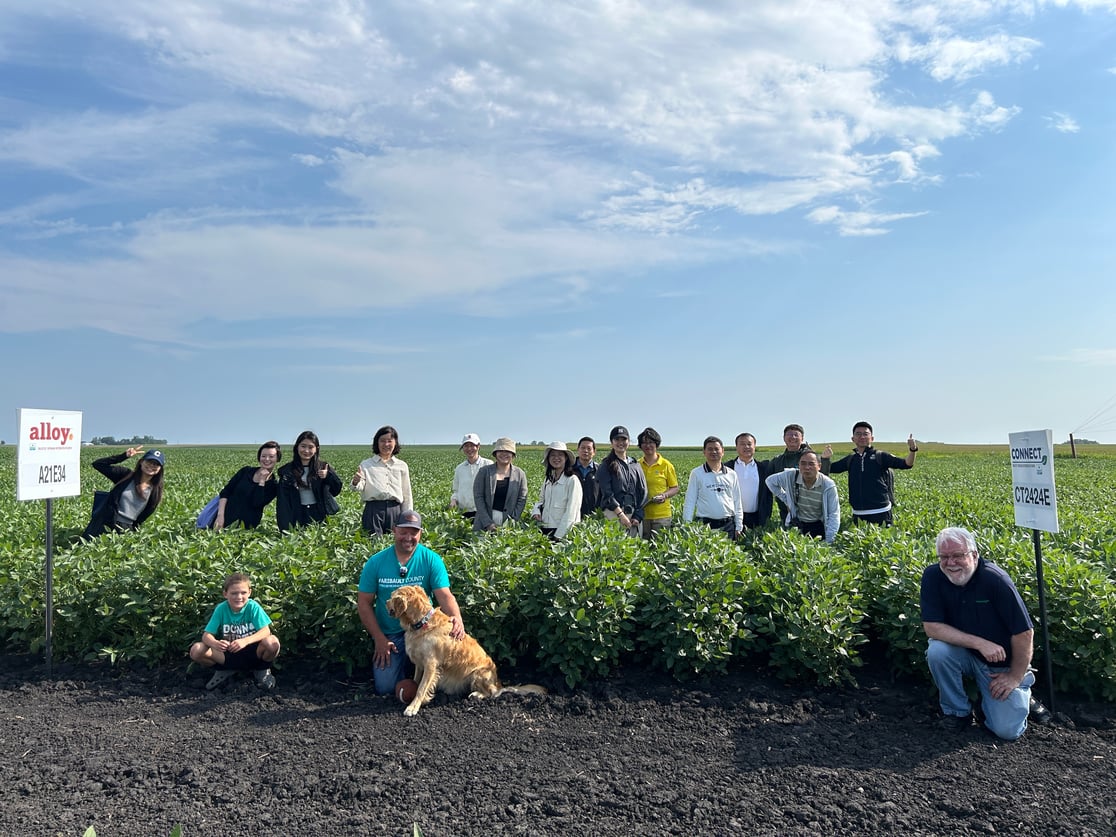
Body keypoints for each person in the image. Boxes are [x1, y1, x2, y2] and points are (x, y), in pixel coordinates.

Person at [921, 527, 1039, 740]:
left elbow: (1024, 632)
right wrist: (979, 643)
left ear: (974, 555)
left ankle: (1022, 687)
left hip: (999, 665)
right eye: (944, 557)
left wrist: (1013, 676)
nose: (950, 563)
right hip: (965, 654)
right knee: (937, 651)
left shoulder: (995, 580)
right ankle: (957, 712)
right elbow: (932, 627)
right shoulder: (932, 576)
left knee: (1007, 732)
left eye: (958, 555)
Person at [356, 510, 467, 695]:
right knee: (385, 688)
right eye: (403, 532)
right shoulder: (376, 562)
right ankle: (410, 672)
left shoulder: (431, 559)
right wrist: (379, 639)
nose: (408, 537)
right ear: (394, 531)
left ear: (420, 533)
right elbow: (363, 603)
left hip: (425, 631)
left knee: (447, 680)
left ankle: (427, 677)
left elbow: (445, 596)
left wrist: (457, 618)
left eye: (413, 532)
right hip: (391, 635)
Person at [189, 572, 280, 690]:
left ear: (250, 593)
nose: (239, 597)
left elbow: (266, 631)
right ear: (225, 594)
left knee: (272, 642)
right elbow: (206, 636)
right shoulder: (221, 609)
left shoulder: (253, 607)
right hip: (228, 653)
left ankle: (262, 670)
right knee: (196, 650)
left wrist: (245, 641)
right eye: (234, 593)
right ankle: (224, 671)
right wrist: (215, 643)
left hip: (254, 652)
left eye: (243, 593)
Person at [822, 422, 917, 526]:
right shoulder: (851, 459)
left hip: (881, 512)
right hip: (858, 514)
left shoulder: (880, 456)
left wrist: (913, 449)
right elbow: (830, 469)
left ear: (872, 438)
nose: (862, 436)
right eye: (858, 434)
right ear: (853, 439)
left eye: (865, 434)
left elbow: (907, 464)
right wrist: (825, 459)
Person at [82, 447, 166, 538]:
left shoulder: (155, 490)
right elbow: (98, 464)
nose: (151, 466)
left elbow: (146, 513)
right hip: (104, 523)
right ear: (141, 462)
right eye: (149, 461)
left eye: (156, 464)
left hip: (125, 529)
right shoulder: (125, 475)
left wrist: (132, 529)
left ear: (159, 469)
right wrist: (123, 456)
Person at [764, 450, 840, 543]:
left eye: (811, 464)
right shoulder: (791, 475)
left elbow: (833, 514)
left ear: (819, 466)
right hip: (797, 525)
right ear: (798, 465)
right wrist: (786, 499)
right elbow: (770, 481)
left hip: (818, 525)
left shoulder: (828, 485)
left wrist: (829, 541)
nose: (807, 467)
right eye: (803, 464)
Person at [351, 425, 413, 535]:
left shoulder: (402, 465)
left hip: (395, 510)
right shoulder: (366, 464)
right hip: (373, 510)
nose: (386, 444)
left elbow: (406, 493)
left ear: (395, 443)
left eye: (389, 441)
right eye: (382, 441)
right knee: (372, 544)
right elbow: (360, 486)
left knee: (394, 545)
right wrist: (356, 481)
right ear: (377, 443)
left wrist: (408, 516)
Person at [275, 430, 342, 532]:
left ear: (316, 449)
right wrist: (284, 527)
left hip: (319, 514)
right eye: (303, 446)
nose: (306, 451)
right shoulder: (287, 471)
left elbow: (336, 490)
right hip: (297, 514)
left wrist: (328, 476)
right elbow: (283, 502)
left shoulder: (323, 467)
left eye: (311, 447)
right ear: (297, 447)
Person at [682, 436, 742, 539]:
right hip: (705, 525)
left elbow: (737, 501)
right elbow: (690, 501)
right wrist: (687, 525)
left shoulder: (731, 474)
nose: (713, 452)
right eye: (710, 449)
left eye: (716, 449)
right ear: (704, 452)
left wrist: (739, 525)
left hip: (728, 525)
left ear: (722, 451)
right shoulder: (697, 473)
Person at [213, 441, 281, 530]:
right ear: (259, 457)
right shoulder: (245, 471)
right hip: (223, 520)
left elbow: (256, 503)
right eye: (263, 456)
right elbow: (226, 492)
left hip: (246, 527)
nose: (267, 459)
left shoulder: (274, 486)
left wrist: (262, 482)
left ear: (277, 459)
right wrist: (220, 516)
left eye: (271, 456)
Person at [597, 426, 648, 538]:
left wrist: (638, 514)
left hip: (633, 513)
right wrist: (621, 514)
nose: (621, 443)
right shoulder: (606, 465)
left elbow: (643, 491)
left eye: (624, 439)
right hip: (613, 513)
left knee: (633, 550)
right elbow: (607, 493)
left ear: (628, 442)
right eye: (617, 440)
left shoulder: (635, 465)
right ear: (611, 443)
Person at [473, 437, 528, 533]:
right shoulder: (484, 472)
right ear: (495, 453)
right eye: (501, 451)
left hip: (509, 524)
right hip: (484, 522)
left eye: (508, 451)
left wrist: (512, 522)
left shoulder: (520, 474)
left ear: (513, 454)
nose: (504, 454)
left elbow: (522, 499)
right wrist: (488, 523)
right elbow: (478, 497)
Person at [531, 442, 583, 541]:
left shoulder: (572, 480)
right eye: (553, 455)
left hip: (563, 531)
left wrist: (559, 535)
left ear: (566, 458)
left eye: (560, 455)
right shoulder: (548, 480)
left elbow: (572, 511)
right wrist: (536, 511)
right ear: (548, 458)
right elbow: (540, 501)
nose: (556, 458)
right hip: (545, 528)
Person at [724, 433, 774, 530]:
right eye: (742, 444)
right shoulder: (727, 468)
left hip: (757, 518)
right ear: (736, 447)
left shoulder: (764, 468)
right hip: (732, 519)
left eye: (749, 444)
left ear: (754, 446)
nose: (746, 447)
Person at [637, 427, 680, 540]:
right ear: (640, 445)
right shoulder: (636, 465)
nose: (647, 445)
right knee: (643, 548)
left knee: (660, 547)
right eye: (644, 442)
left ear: (656, 444)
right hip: (642, 514)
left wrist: (664, 495)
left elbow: (674, 488)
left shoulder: (666, 465)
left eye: (651, 442)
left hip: (662, 515)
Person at [767, 424, 813, 519]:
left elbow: (822, 478)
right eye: (789, 434)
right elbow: (768, 482)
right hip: (785, 511)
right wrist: (786, 501)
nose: (793, 437)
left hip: (810, 511)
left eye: (796, 435)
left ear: (802, 438)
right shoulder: (777, 461)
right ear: (784, 438)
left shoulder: (811, 459)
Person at [450, 433, 492, 520]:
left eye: (472, 445)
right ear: (463, 448)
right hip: (464, 512)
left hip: (484, 512)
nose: (469, 449)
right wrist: (453, 500)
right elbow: (456, 490)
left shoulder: (488, 465)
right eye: (466, 446)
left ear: (478, 446)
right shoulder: (459, 468)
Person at [572, 437, 601, 518]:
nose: (586, 451)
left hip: (593, 515)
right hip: (572, 513)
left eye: (589, 448)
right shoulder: (569, 469)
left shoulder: (600, 470)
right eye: (583, 448)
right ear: (578, 450)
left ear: (594, 452)